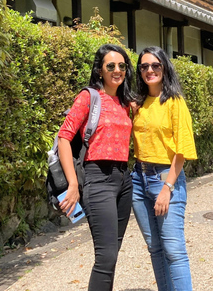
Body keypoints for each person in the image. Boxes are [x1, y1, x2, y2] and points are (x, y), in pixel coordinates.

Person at [56, 44, 136, 291]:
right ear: (100, 70)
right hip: (97, 179)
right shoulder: (89, 96)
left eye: (122, 66)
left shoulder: (126, 103)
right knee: (106, 257)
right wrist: (72, 184)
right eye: (110, 65)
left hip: (124, 180)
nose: (117, 70)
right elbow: (64, 137)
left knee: (112, 254)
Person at [132, 46, 197, 291]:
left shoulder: (174, 102)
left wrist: (167, 188)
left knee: (173, 249)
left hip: (165, 178)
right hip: (138, 179)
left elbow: (182, 150)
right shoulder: (138, 104)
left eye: (155, 65)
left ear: (164, 68)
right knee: (155, 247)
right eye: (144, 66)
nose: (150, 70)